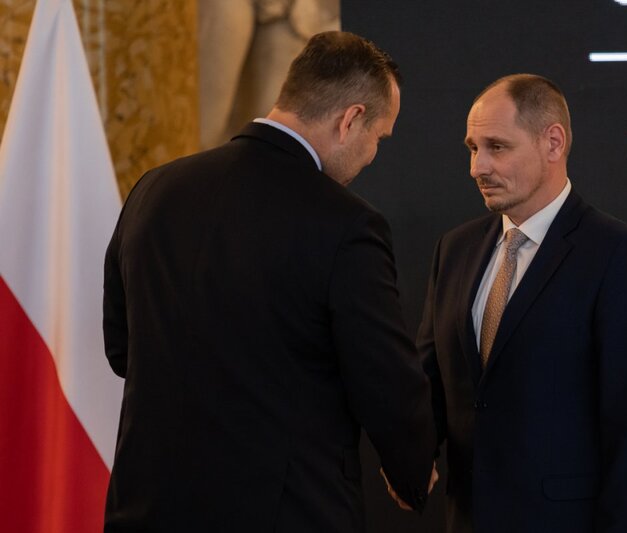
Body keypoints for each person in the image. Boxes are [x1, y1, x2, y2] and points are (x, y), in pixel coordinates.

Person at [102, 31, 436, 532]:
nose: (372, 156)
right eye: (378, 139)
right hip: (286, 511)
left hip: (150, 506)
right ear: (352, 120)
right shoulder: (346, 224)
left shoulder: (154, 189)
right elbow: (383, 377)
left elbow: (121, 349)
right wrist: (412, 470)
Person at [417, 74, 627, 532]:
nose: (477, 167)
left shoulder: (617, 255)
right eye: (473, 148)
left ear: (553, 142)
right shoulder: (453, 250)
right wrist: (408, 455)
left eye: (497, 146)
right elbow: (430, 383)